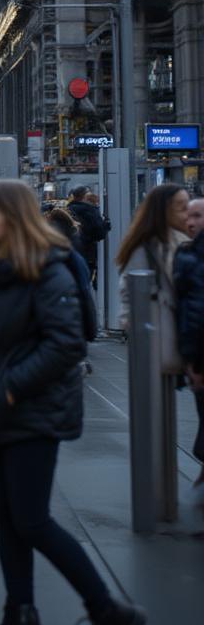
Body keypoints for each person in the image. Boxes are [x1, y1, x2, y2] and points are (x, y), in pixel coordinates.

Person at [0, 180, 145, 625]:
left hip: (31, 412)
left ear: (12, 220)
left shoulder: (47, 269)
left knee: (32, 520)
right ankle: (19, 621)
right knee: (6, 521)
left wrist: (11, 387)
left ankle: (110, 612)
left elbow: (66, 343)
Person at [115, 184, 189, 377]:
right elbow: (130, 293)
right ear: (164, 211)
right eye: (182, 208)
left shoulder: (183, 241)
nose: (187, 214)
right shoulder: (148, 249)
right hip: (163, 337)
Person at [171, 196, 204, 485]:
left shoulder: (190, 256)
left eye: (197, 216)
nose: (190, 222)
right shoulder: (186, 253)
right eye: (188, 215)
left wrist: (192, 358)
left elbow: (195, 310)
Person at [67, 185, 110, 286]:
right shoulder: (90, 211)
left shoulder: (68, 209)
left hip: (72, 254)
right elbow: (99, 233)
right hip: (87, 255)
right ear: (85, 197)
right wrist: (106, 224)